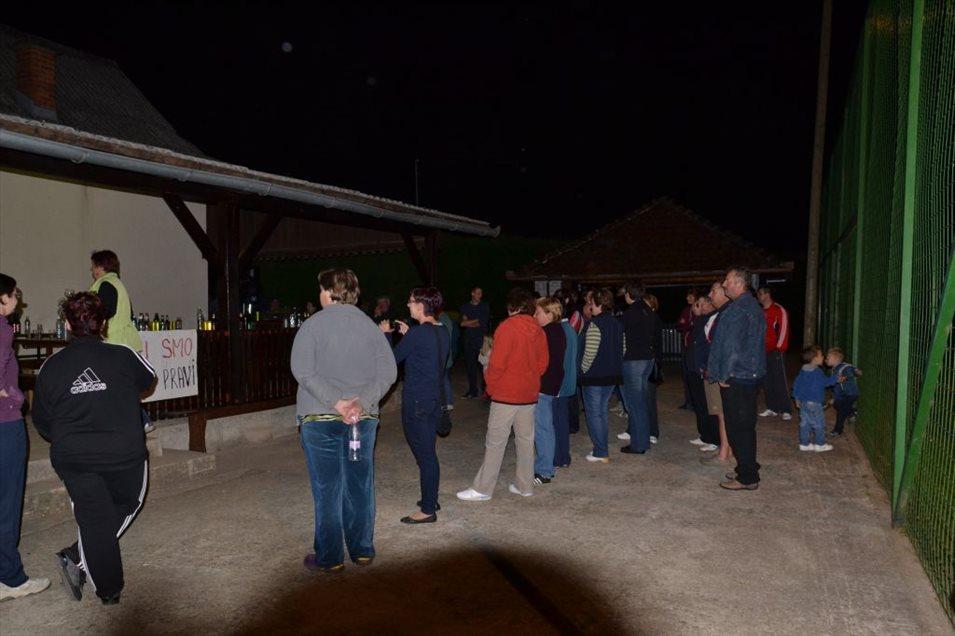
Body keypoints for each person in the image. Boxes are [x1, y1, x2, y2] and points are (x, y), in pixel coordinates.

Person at [32, 292, 156, 604]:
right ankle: (77, 558)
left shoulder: (51, 367)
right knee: (124, 506)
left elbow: (42, 421)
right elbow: (148, 380)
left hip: (73, 457)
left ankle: (106, 588)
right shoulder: (123, 355)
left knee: (94, 518)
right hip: (123, 455)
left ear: (66, 324)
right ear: (103, 324)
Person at [290, 269, 397, 572]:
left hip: (320, 417)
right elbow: (388, 372)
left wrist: (337, 402)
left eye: (321, 290)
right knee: (359, 484)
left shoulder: (312, 325)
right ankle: (362, 549)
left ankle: (331, 556)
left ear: (328, 292)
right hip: (361, 419)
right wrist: (360, 402)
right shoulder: (370, 327)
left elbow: (303, 370)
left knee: (328, 488)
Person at [457, 288, 548, 500]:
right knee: (525, 441)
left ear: (511, 307)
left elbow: (497, 364)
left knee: (496, 442)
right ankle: (525, 485)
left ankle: (483, 489)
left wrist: (490, 386)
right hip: (528, 394)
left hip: (506, 394)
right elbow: (543, 364)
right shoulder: (538, 330)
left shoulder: (507, 327)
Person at [0, 274, 50, 601]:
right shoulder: (2, 329)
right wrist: (16, 398)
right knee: (6, 502)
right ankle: (10, 579)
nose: (19, 300)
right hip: (4, 424)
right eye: (15, 294)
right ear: (2, 298)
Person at [380, 287, 449, 523]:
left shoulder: (418, 334)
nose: (408, 305)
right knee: (428, 451)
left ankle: (428, 510)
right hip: (433, 399)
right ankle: (431, 497)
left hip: (417, 401)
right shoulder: (442, 330)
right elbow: (426, 354)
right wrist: (410, 334)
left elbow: (390, 360)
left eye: (411, 302)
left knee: (425, 455)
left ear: (420, 305)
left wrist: (386, 335)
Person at [706, 267, 766, 491]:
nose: (724, 284)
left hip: (738, 376)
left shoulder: (739, 308)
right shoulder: (751, 305)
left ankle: (748, 477)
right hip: (748, 374)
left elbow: (731, 346)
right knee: (745, 425)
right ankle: (746, 467)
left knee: (738, 428)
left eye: (727, 280)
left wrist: (724, 374)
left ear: (739, 283)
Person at [578, 288, 624, 463]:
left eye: (591, 303)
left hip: (594, 377)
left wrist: (583, 370)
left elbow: (590, 352)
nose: (590, 306)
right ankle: (601, 447)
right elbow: (623, 349)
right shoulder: (617, 323)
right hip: (612, 375)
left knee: (594, 414)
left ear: (597, 304)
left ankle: (600, 451)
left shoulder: (594, 324)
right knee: (601, 412)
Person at [618, 282, 655, 455]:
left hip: (634, 360)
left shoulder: (630, 313)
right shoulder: (647, 310)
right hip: (647, 359)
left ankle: (639, 445)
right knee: (640, 402)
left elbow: (622, 335)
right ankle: (643, 440)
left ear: (628, 294)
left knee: (635, 404)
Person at [532, 297, 566, 485]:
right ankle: (547, 466)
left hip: (543, 385)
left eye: (537, 312)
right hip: (552, 384)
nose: (534, 315)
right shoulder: (558, 330)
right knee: (546, 427)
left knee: (543, 429)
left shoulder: (545, 333)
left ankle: (544, 471)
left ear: (549, 314)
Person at [698, 281, 732, 462]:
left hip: (719, 372)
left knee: (722, 413)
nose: (710, 295)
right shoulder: (718, 314)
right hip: (711, 370)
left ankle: (724, 451)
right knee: (720, 413)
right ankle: (725, 448)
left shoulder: (727, 314)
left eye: (713, 291)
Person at [685, 295, 721, 457]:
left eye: (700, 304)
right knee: (699, 404)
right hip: (693, 368)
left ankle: (714, 439)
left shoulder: (709, 319)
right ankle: (704, 435)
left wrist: (703, 366)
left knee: (708, 405)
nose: (697, 307)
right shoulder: (700, 320)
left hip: (702, 369)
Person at [88, 250, 142, 351]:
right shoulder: (117, 284)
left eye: (93, 266)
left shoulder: (105, 284)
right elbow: (130, 313)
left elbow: (105, 311)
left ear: (101, 267)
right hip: (125, 341)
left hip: (112, 341)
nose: (91, 269)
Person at [756, 287, 793, 420]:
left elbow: (783, 329)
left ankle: (786, 409)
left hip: (776, 351)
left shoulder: (778, 309)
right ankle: (772, 407)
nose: (758, 297)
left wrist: (779, 347)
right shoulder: (760, 311)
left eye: (760, 294)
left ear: (767, 294)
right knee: (766, 380)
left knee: (779, 380)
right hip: (762, 351)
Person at [552, 290, 579, 467]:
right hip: (567, 383)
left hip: (559, 384)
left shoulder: (560, 331)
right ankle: (563, 457)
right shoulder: (569, 329)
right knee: (562, 421)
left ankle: (558, 457)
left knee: (556, 422)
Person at [791, 346, 836, 452]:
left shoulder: (803, 371)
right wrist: (837, 378)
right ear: (815, 359)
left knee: (805, 423)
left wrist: (796, 399)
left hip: (803, 403)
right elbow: (826, 382)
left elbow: (796, 386)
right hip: (815, 403)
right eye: (821, 355)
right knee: (819, 423)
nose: (823, 357)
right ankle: (820, 444)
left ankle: (804, 444)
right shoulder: (817, 372)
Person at [459, 286, 490, 399]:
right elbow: (462, 323)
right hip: (469, 340)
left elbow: (482, 323)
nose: (479, 295)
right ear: (472, 293)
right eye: (477, 293)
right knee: (470, 367)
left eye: (481, 293)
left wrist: (469, 322)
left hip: (481, 341)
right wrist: (476, 320)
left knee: (484, 366)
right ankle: (473, 391)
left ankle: (486, 391)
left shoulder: (484, 306)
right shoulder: (465, 307)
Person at [826, 347, 861, 438]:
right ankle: (851, 412)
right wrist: (834, 397)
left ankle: (838, 430)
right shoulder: (834, 369)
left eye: (828, 357)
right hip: (842, 395)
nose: (826, 359)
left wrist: (856, 371)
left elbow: (851, 369)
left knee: (841, 412)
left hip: (850, 394)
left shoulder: (844, 367)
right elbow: (836, 386)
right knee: (836, 404)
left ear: (836, 359)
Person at [643, 293, 664, 444]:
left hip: (651, 362)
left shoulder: (653, 319)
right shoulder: (648, 318)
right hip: (646, 361)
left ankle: (653, 431)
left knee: (650, 398)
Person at [675, 288, 700, 410]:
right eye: (687, 296)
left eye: (690, 296)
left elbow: (695, 326)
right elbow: (679, 326)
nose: (688, 298)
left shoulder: (700, 308)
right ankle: (688, 401)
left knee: (694, 374)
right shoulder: (686, 310)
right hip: (685, 346)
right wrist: (687, 325)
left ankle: (696, 402)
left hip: (694, 346)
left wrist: (687, 325)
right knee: (686, 375)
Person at [436, 308, 460, 413]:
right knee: (445, 378)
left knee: (444, 378)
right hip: (448, 353)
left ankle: (446, 402)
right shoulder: (445, 318)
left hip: (445, 353)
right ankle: (447, 402)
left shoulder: (443, 319)